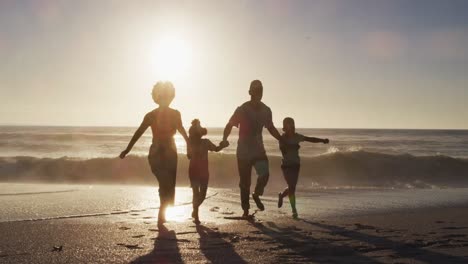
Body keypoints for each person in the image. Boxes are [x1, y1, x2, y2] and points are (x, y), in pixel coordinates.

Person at [119, 81, 190, 225]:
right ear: (157, 97)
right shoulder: (151, 115)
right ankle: (161, 214)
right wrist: (128, 149)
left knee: (168, 185)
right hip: (158, 152)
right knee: (164, 183)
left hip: (169, 152)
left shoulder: (176, 114)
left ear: (171, 96)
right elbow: (138, 132)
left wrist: (190, 147)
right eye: (162, 95)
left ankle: (162, 213)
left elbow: (183, 131)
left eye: (167, 95)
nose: (165, 98)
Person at [221, 80, 282, 218]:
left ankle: (256, 194)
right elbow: (229, 125)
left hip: (258, 150)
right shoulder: (242, 109)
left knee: (264, 174)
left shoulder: (266, 110)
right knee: (245, 182)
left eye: (260, 91)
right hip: (243, 152)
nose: (258, 93)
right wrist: (224, 139)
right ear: (250, 92)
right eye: (255, 90)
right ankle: (246, 211)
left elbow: (271, 127)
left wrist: (281, 139)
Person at [277, 117, 329, 219]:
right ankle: (294, 210)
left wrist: (322, 140)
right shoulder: (282, 138)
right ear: (284, 127)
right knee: (291, 187)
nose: (290, 127)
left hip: (296, 165)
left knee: (292, 187)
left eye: (291, 124)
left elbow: (310, 139)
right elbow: (283, 151)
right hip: (286, 166)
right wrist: (294, 147)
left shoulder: (297, 137)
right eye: (287, 125)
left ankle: (282, 196)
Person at [188, 119, 228, 224]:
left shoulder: (204, 142)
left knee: (201, 194)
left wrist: (223, 145)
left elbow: (216, 149)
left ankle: (195, 210)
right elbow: (216, 149)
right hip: (197, 170)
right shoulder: (197, 142)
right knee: (198, 193)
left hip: (199, 170)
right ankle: (196, 215)